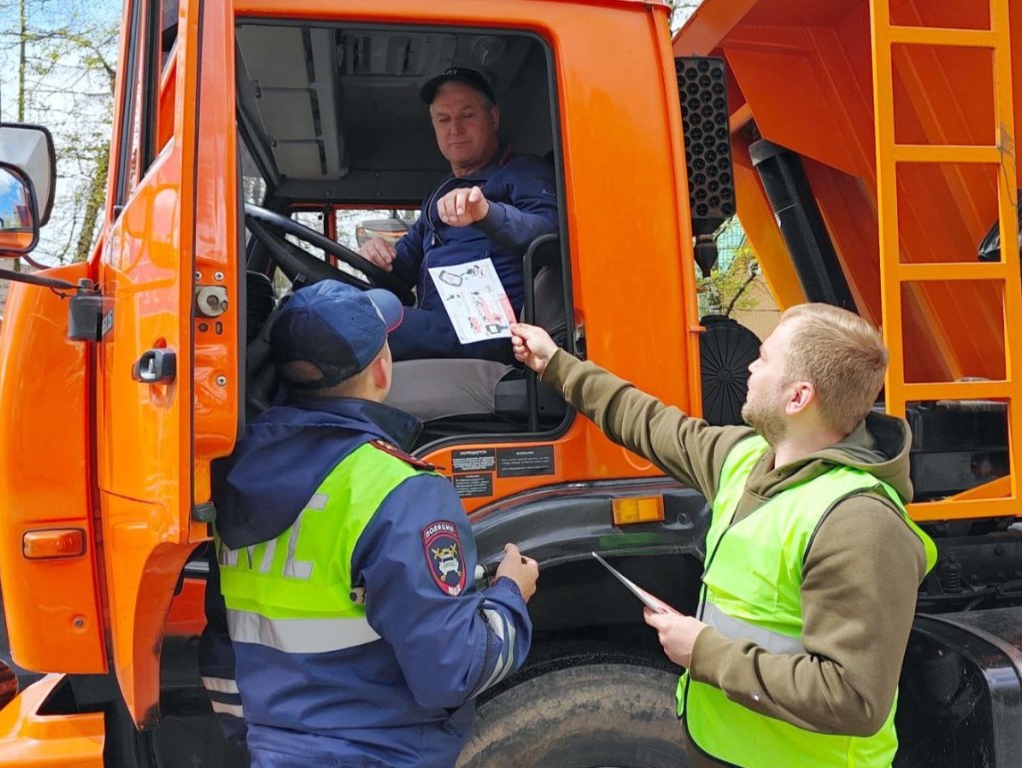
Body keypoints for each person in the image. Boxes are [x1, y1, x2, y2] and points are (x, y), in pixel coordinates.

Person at [510, 304, 937, 768]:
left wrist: (704, 652)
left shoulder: (859, 523)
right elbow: (650, 422)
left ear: (798, 397)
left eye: (765, 358)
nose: (748, 364)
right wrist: (553, 363)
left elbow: (854, 699)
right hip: (722, 750)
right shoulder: (746, 457)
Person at [199, 279, 540, 768]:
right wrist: (510, 595)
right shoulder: (399, 491)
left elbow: (222, 647)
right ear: (383, 369)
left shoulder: (231, 479)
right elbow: (453, 672)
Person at [359, 67, 558, 364]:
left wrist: (487, 213)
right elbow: (401, 268)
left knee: (356, 318)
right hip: (441, 326)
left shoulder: (523, 172)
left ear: (493, 118)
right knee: (339, 304)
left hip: (490, 333)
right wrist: (377, 258)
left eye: (467, 115)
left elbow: (550, 232)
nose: (455, 129)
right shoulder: (437, 198)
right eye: (443, 119)